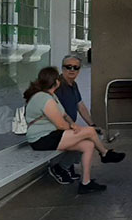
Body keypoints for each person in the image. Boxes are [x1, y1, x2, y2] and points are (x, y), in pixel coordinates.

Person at [24, 67, 125, 194]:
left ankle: (86, 183)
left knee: (88, 145)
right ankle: (104, 153)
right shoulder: (43, 98)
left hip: (52, 135)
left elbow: (65, 115)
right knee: (89, 131)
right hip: (42, 138)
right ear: (55, 81)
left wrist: (74, 125)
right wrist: (77, 129)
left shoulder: (51, 95)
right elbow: (61, 124)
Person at [52, 54, 98, 184]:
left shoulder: (73, 85)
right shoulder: (58, 86)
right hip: (55, 128)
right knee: (86, 139)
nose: (72, 70)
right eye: (68, 67)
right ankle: (60, 168)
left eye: (75, 67)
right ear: (62, 68)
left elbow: (80, 105)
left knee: (92, 134)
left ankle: (68, 166)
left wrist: (92, 124)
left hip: (67, 127)